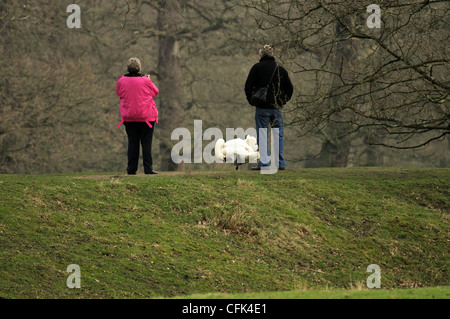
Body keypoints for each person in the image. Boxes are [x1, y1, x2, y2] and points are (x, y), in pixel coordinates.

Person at [244, 45, 293, 170]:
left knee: (263, 134)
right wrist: (283, 101)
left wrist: (252, 101)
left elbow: (248, 87)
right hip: (277, 107)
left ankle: (265, 163)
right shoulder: (280, 70)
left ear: (260, 56)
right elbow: (290, 89)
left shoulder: (256, 68)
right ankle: (279, 163)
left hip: (261, 108)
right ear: (273, 55)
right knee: (278, 135)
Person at [116, 57, 159, 175]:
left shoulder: (121, 81)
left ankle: (131, 168)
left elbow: (119, 94)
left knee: (132, 142)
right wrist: (148, 80)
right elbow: (155, 92)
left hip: (129, 116)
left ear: (128, 69)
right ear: (139, 69)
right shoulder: (146, 81)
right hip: (146, 117)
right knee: (146, 142)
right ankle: (148, 168)